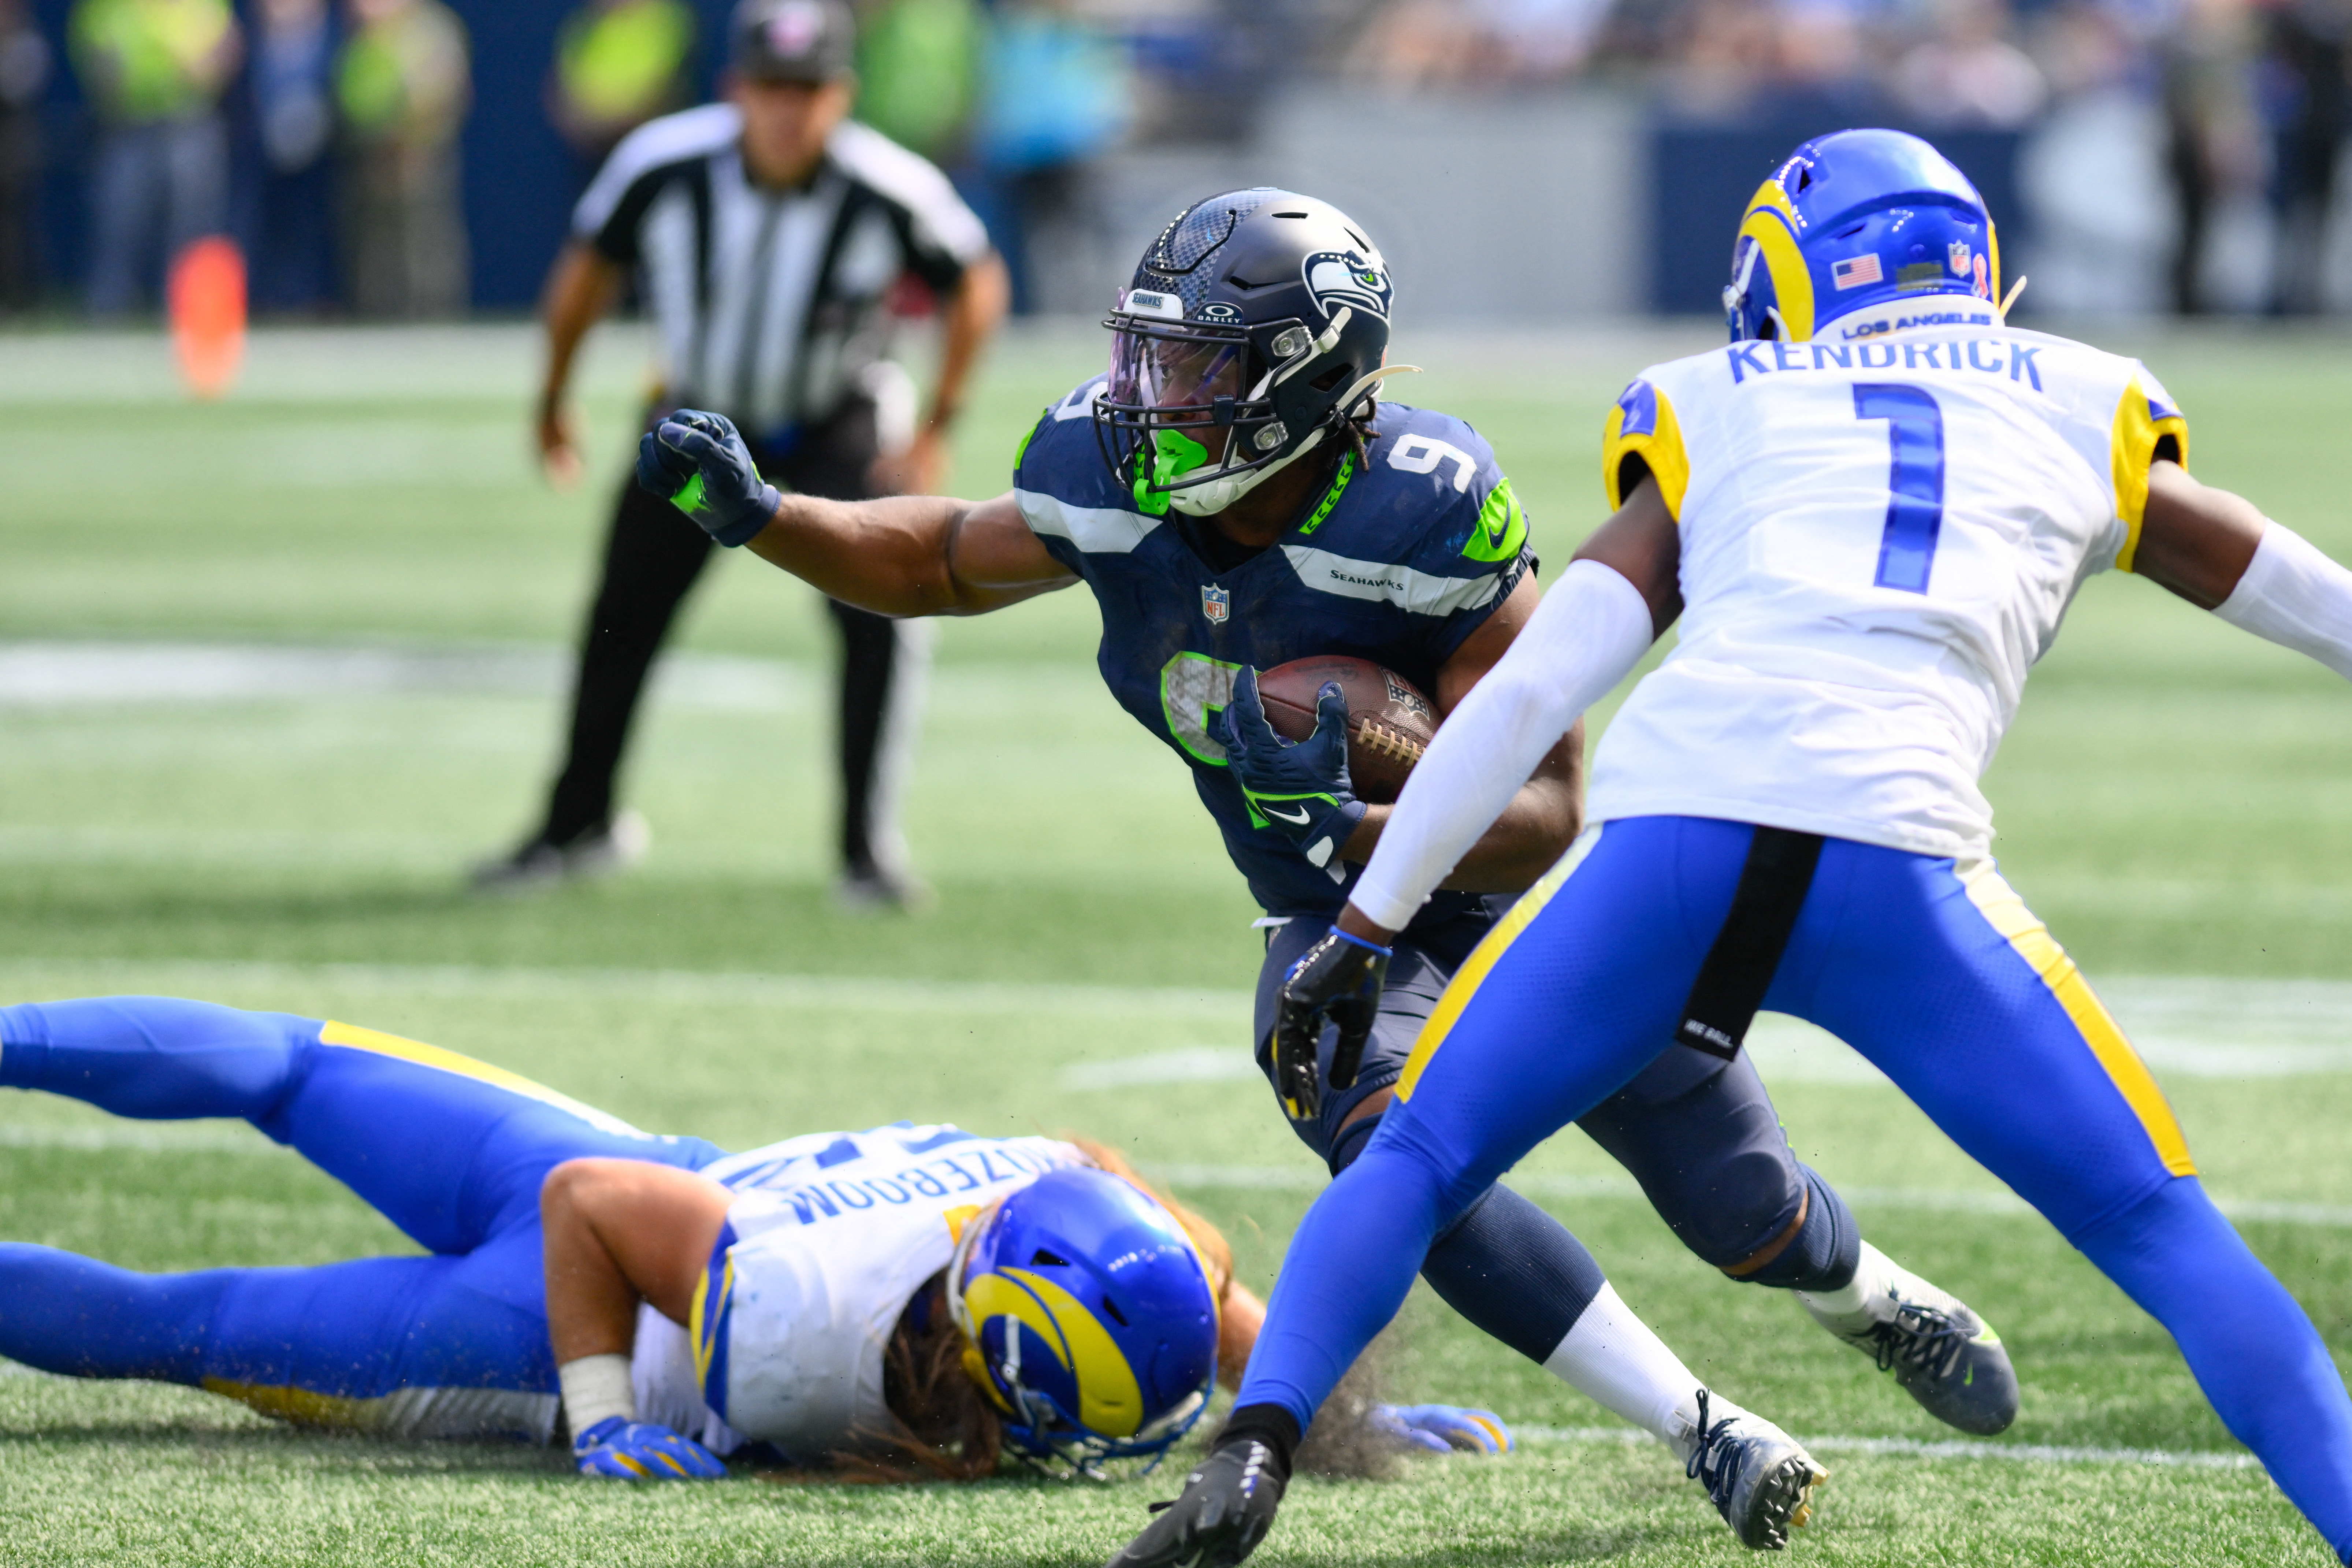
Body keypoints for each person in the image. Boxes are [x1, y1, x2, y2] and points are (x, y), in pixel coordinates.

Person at [631, 188, 2039, 1549]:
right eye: (1150, 350)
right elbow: (941, 555)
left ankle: (1863, 1296)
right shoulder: (1103, 473)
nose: (1150, 392)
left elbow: (1548, 804)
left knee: (1749, 1216)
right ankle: (1700, 1426)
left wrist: (1364, 810)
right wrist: (764, 517)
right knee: (1384, 1149)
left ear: (1308, 379)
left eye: (1196, 365)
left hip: (1528, 900)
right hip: (1319, 912)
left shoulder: (1424, 505)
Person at [1107, 130, 2352, 1568]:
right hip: (1904, 867)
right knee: (2158, 1223)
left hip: (1672, 848)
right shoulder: (2089, 401)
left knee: (1423, 1151)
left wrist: (1368, 925)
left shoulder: (1724, 401)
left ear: (1794, 273)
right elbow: (2309, 600)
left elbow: (1528, 693)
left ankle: (1253, 1450)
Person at [0, 992, 1524, 1476]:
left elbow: (1176, 1290)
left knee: (187, 1295)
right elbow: (585, 1213)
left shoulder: (1051, 1204)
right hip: (601, 1253)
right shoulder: (814, 1328)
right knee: (268, 1116)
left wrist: (1324, 1413)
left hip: (611, 1235)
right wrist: (601, 1422)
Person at [475, 0, 1011, 912]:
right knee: (620, 618)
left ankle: (864, 847)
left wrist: (937, 423)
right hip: (698, 417)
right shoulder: (664, 164)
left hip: (834, 412)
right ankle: (576, 823)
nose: (786, 111)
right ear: (736, 90)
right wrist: (552, 398)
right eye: (770, 88)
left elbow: (975, 282)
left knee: (876, 613)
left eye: (806, 91)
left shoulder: (888, 184)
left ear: (840, 96)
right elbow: (586, 275)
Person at [68, 0, 240, 316]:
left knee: (192, 226)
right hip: (128, 124)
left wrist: (202, 71)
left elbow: (226, 49)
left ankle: (188, 314)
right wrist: (109, 77)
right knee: (119, 221)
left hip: (188, 121)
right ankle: (108, 311)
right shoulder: (108, 8)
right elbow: (92, 51)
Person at [334, 0, 469, 319]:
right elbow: (352, 93)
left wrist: (407, 138)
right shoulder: (363, 38)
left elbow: (442, 93)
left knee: (426, 252)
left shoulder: (428, 30)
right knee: (374, 260)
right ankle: (375, 322)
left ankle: (433, 323)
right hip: (370, 163)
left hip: (418, 161)